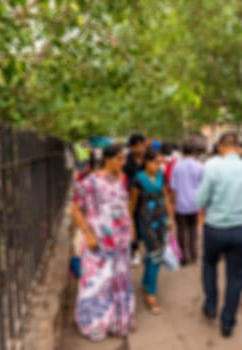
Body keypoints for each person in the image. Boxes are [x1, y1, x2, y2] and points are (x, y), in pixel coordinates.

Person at [72, 145, 135, 344]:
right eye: (118, 158)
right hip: (98, 241)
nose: (121, 162)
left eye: (123, 159)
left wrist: (131, 226)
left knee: (118, 279)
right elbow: (75, 208)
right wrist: (87, 233)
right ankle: (94, 322)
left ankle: (116, 320)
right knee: (97, 281)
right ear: (107, 159)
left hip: (120, 240)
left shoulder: (120, 179)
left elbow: (124, 206)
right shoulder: (90, 181)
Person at [196, 132, 242, 338]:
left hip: (214, 228)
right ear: (239, 149)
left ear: (221, 147)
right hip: (239, 229)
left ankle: (211, 305)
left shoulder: (212, 166)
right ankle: (227, 323)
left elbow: (201, 199)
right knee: (235, 277)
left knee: (209, 264)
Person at [130, 150, 173, 315]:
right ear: (146, 162)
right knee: (155, 256)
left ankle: (146, 282)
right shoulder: (138, 179)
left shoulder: (161, 175)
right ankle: (151, 294)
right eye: (155, 162)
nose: (158, 166)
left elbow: (165, 197)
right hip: (146, 223)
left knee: (155, 255)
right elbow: (132, 205)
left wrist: (170, 218)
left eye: (159, 163)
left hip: (161, 222)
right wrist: (131, 226)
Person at [170, 141, 204, 265]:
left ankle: (182, 257)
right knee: (193, 230)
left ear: (182, 152)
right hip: (195, 203)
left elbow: (173, 187)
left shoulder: (177, 166)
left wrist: (173, 202)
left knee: (181, 231)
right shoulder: (200, 166)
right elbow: (203, 185)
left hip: (181, 204)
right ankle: (194, 254)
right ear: (194, 152)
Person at [124, 134, 146, 266]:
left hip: (147, 198)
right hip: (131, 198)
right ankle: (135, 251)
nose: (139, 148)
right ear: (131, 147)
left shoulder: (148, 160)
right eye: (136, 146)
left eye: (141, 145)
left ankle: (146, 250)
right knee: (133, 224)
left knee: (147, 224)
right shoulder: (126, 162)